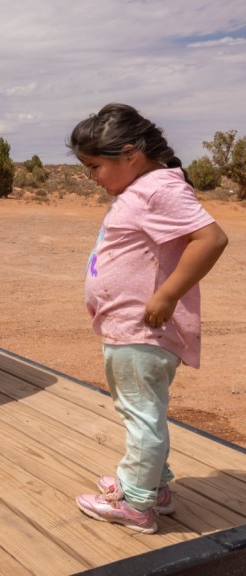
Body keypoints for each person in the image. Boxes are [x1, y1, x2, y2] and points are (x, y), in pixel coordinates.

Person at [68, 103, 228, 534]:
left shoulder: (158, 188)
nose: (92, 177)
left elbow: (211, 239)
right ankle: (153, 487)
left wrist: (166, 294)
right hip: (128, 329)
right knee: (142, 410)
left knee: (142, 416)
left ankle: (137, 506)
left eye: (95, 167)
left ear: (130, 154)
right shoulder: (144, 187)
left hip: (141, 330)